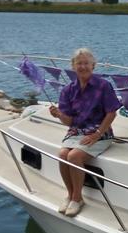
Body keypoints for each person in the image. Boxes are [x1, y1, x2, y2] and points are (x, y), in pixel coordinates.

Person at [49, 48, 120, 217]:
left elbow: (112, 112)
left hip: (100, 132)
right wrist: (59, 114)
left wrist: (97, 134)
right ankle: (70, 194)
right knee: (62, 154)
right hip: (77, 131)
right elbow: (69, 122)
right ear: (73, 66)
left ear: (93, 66)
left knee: (74, 156)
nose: (83, 66)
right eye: (79, 63)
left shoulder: (103, 85)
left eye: (86, 63)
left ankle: (77, 198)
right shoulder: (68, 90)